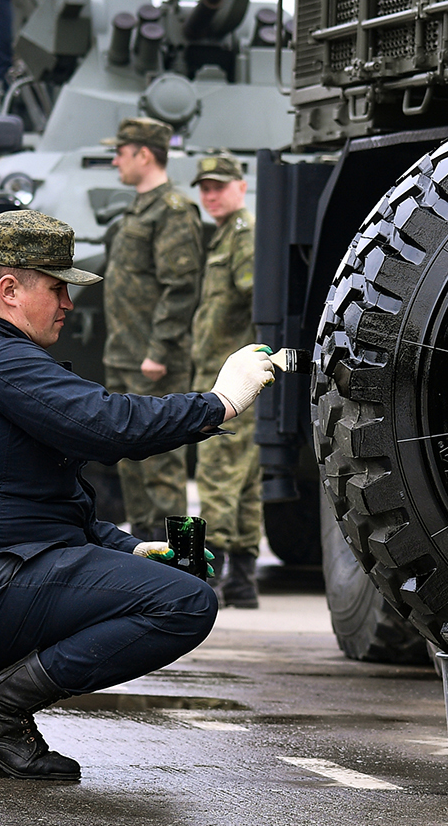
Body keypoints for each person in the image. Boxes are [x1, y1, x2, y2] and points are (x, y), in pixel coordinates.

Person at [0, 209, 275, 780]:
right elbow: (111, 424)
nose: (68, 305)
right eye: (57, 289)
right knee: (185, 604)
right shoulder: (3, 362)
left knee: (168, 583)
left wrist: (132, 551)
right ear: (9, 289)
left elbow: (47, 505)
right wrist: (220, 401)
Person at [102, 117, 205, 543]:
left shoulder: (174, 211)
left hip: (152, 361)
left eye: (121, 153)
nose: (114, 161)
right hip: (124, 356)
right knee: (129, 459)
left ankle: (185, 559)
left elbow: (181, 288)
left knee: (163, 466)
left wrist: (159, 351)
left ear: (144, 154)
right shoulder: (138, 208)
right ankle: (146, 552)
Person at [188, 153, 263, 608]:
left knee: (217, 473)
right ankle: (243, 580)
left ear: (241, 186)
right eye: (204, 188)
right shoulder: (226, 235)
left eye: (219, 186)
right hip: (233, 377)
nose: (210, 195)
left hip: (230, 381)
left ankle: (205, 575)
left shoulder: (243, 235)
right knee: (244, 479)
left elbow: (255, 294)